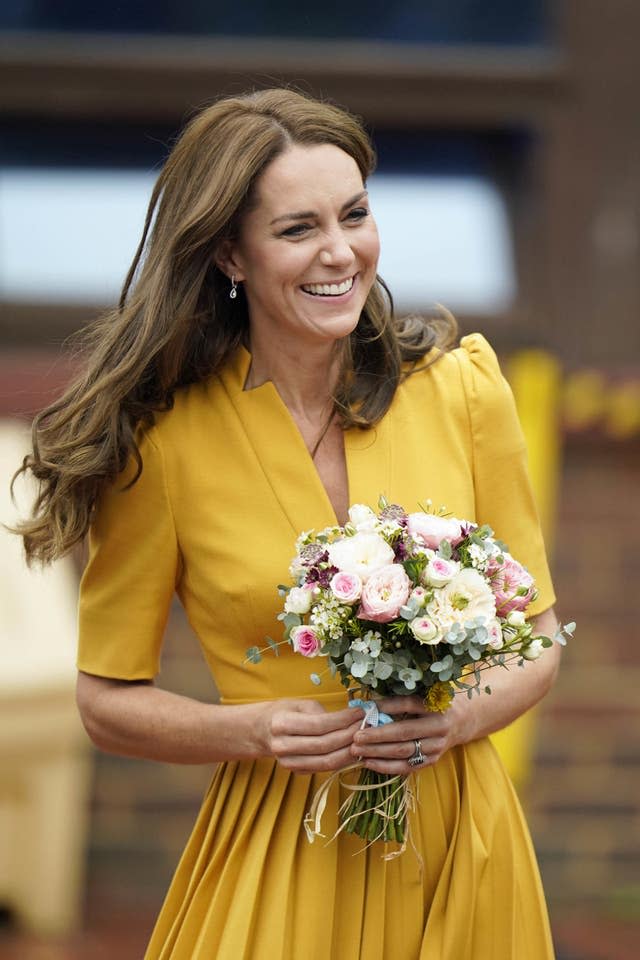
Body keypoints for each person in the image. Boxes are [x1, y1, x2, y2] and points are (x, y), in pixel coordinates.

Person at [15, 88, 560, 959]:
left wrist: (454, 722)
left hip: (462, 839)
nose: (340, 252)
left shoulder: (463, 393)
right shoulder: (162, 444)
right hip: (280, 843)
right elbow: (107, 701)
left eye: (355, 215)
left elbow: (537, 637)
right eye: (298, 229)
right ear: (231, 252)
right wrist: (249, 731)